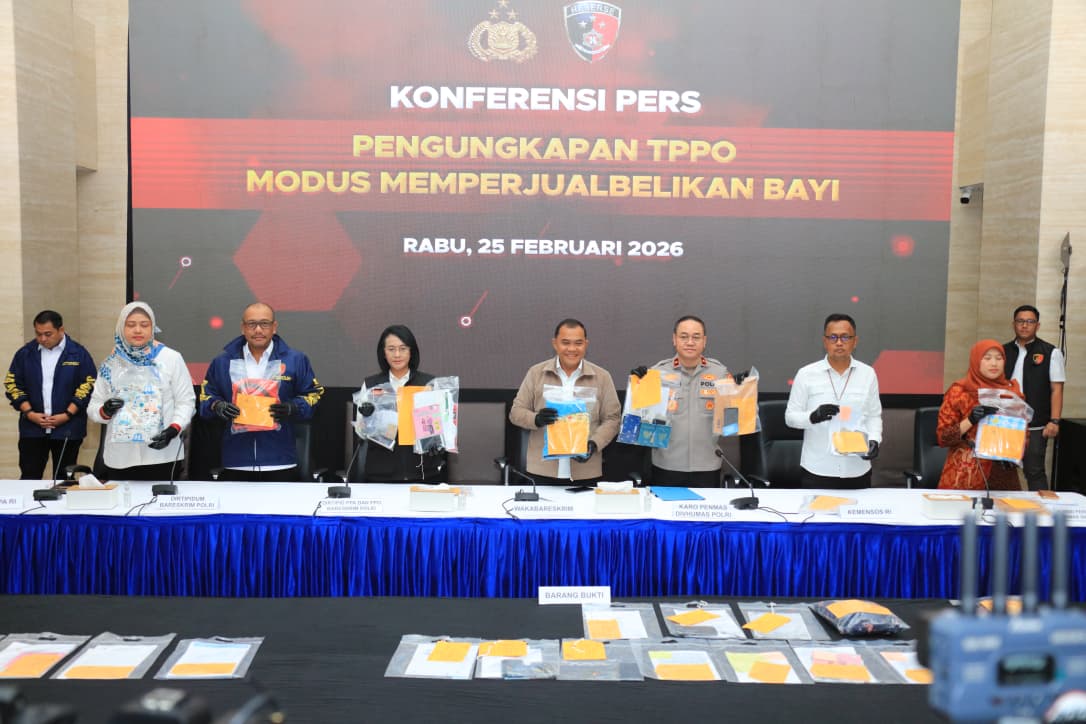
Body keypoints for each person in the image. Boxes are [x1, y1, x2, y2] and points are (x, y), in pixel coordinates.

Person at [199, 303, 324, 481]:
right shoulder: (222, 362)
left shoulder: (296, 360)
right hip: (236, 459)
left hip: (280, 460)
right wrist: (217, 406)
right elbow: (205, 398)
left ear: (274, 327)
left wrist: (293, 407)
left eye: (264, 323)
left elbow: (314, 394)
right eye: (251, 324)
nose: (258, 330)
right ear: (243, 328)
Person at [629, 315, 747, 486]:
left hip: (707, 467)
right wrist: (638, 389)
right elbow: (638, 424)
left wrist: (740, 395)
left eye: (696, 337)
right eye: (684, 337)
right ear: (674, 339)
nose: (690, 342)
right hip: (667, 466)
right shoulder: (657, 374)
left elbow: (733, 425)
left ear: (704, 341)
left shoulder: (720, 374)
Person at [88, 302, 195, 480]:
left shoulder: (171, 358)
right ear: (121, 328)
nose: (137, 330)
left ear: (153, 328)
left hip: (161, 455)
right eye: (131, 325)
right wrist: (104, 411)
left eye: (144, 325)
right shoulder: (111, 363)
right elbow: (94, 406)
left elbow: (186, 401)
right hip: (120, 457)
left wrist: (174, 428)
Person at [509, 319, 621, 484]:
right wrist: (536, 419)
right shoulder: (536, 373)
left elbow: (613, 419)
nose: (572, 349)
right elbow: (516, 412)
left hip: (586, 471)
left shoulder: (602, 377)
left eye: (578, 343)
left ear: (586, 344)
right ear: (555, 344)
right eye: (565, 343)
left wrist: (594, 443)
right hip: (542, 471)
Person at [785, 313, 882, 489]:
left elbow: (874, 415)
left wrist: (875, 439)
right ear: (825, 341)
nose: (839, 342)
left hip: (857, 468)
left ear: (855, 341)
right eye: (833, 337)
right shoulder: (806, 374)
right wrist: (813, 417)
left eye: (845, 337)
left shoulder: (868, 374)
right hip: (818, 470)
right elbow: (790, 418)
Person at [5, 310, 97, 479]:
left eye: (48, 334)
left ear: (61, 330)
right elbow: (12, 384)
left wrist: (67, 414)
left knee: (64, 479)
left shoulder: (78, 353)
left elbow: (88, 385)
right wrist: (29, 413)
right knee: (29, 476)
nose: (42, 339)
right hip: (33, 429)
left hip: (68, 428)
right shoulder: (25, 354)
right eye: (38, 334)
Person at [354, 325, 448, 482]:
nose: (397, 354)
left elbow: (441, 429)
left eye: (403, 349)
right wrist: (368, 421)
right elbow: (360, 431)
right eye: (391, 349)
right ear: (383, 353)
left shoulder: (428, 384)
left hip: (423, 473)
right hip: (380, 474)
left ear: (411, 352)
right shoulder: (372, 385)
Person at [937, 340, 1023, 491]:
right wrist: (971, 420)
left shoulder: (1011, 392)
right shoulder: (960, 392)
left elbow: (1023, 435)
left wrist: (1014, 454)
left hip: (1003, 475)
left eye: (999, 358)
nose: (994, 363)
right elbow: (943, 438)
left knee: (1005, 507)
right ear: (976, 360)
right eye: (987, 358)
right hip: (966, 473)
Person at [1003, 305, 1065, 490]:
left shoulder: (1051, 352)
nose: (1024, 325)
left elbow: (1057, 389)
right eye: (1020, 321)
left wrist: (1054, 421)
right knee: (1001, 471)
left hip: (1036, 424)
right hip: (1005, 422)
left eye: (1030, 321)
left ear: (1037, 325)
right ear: (1013, 324)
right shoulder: (1003, 351)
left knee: (1034, 471)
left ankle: (1042, 508)